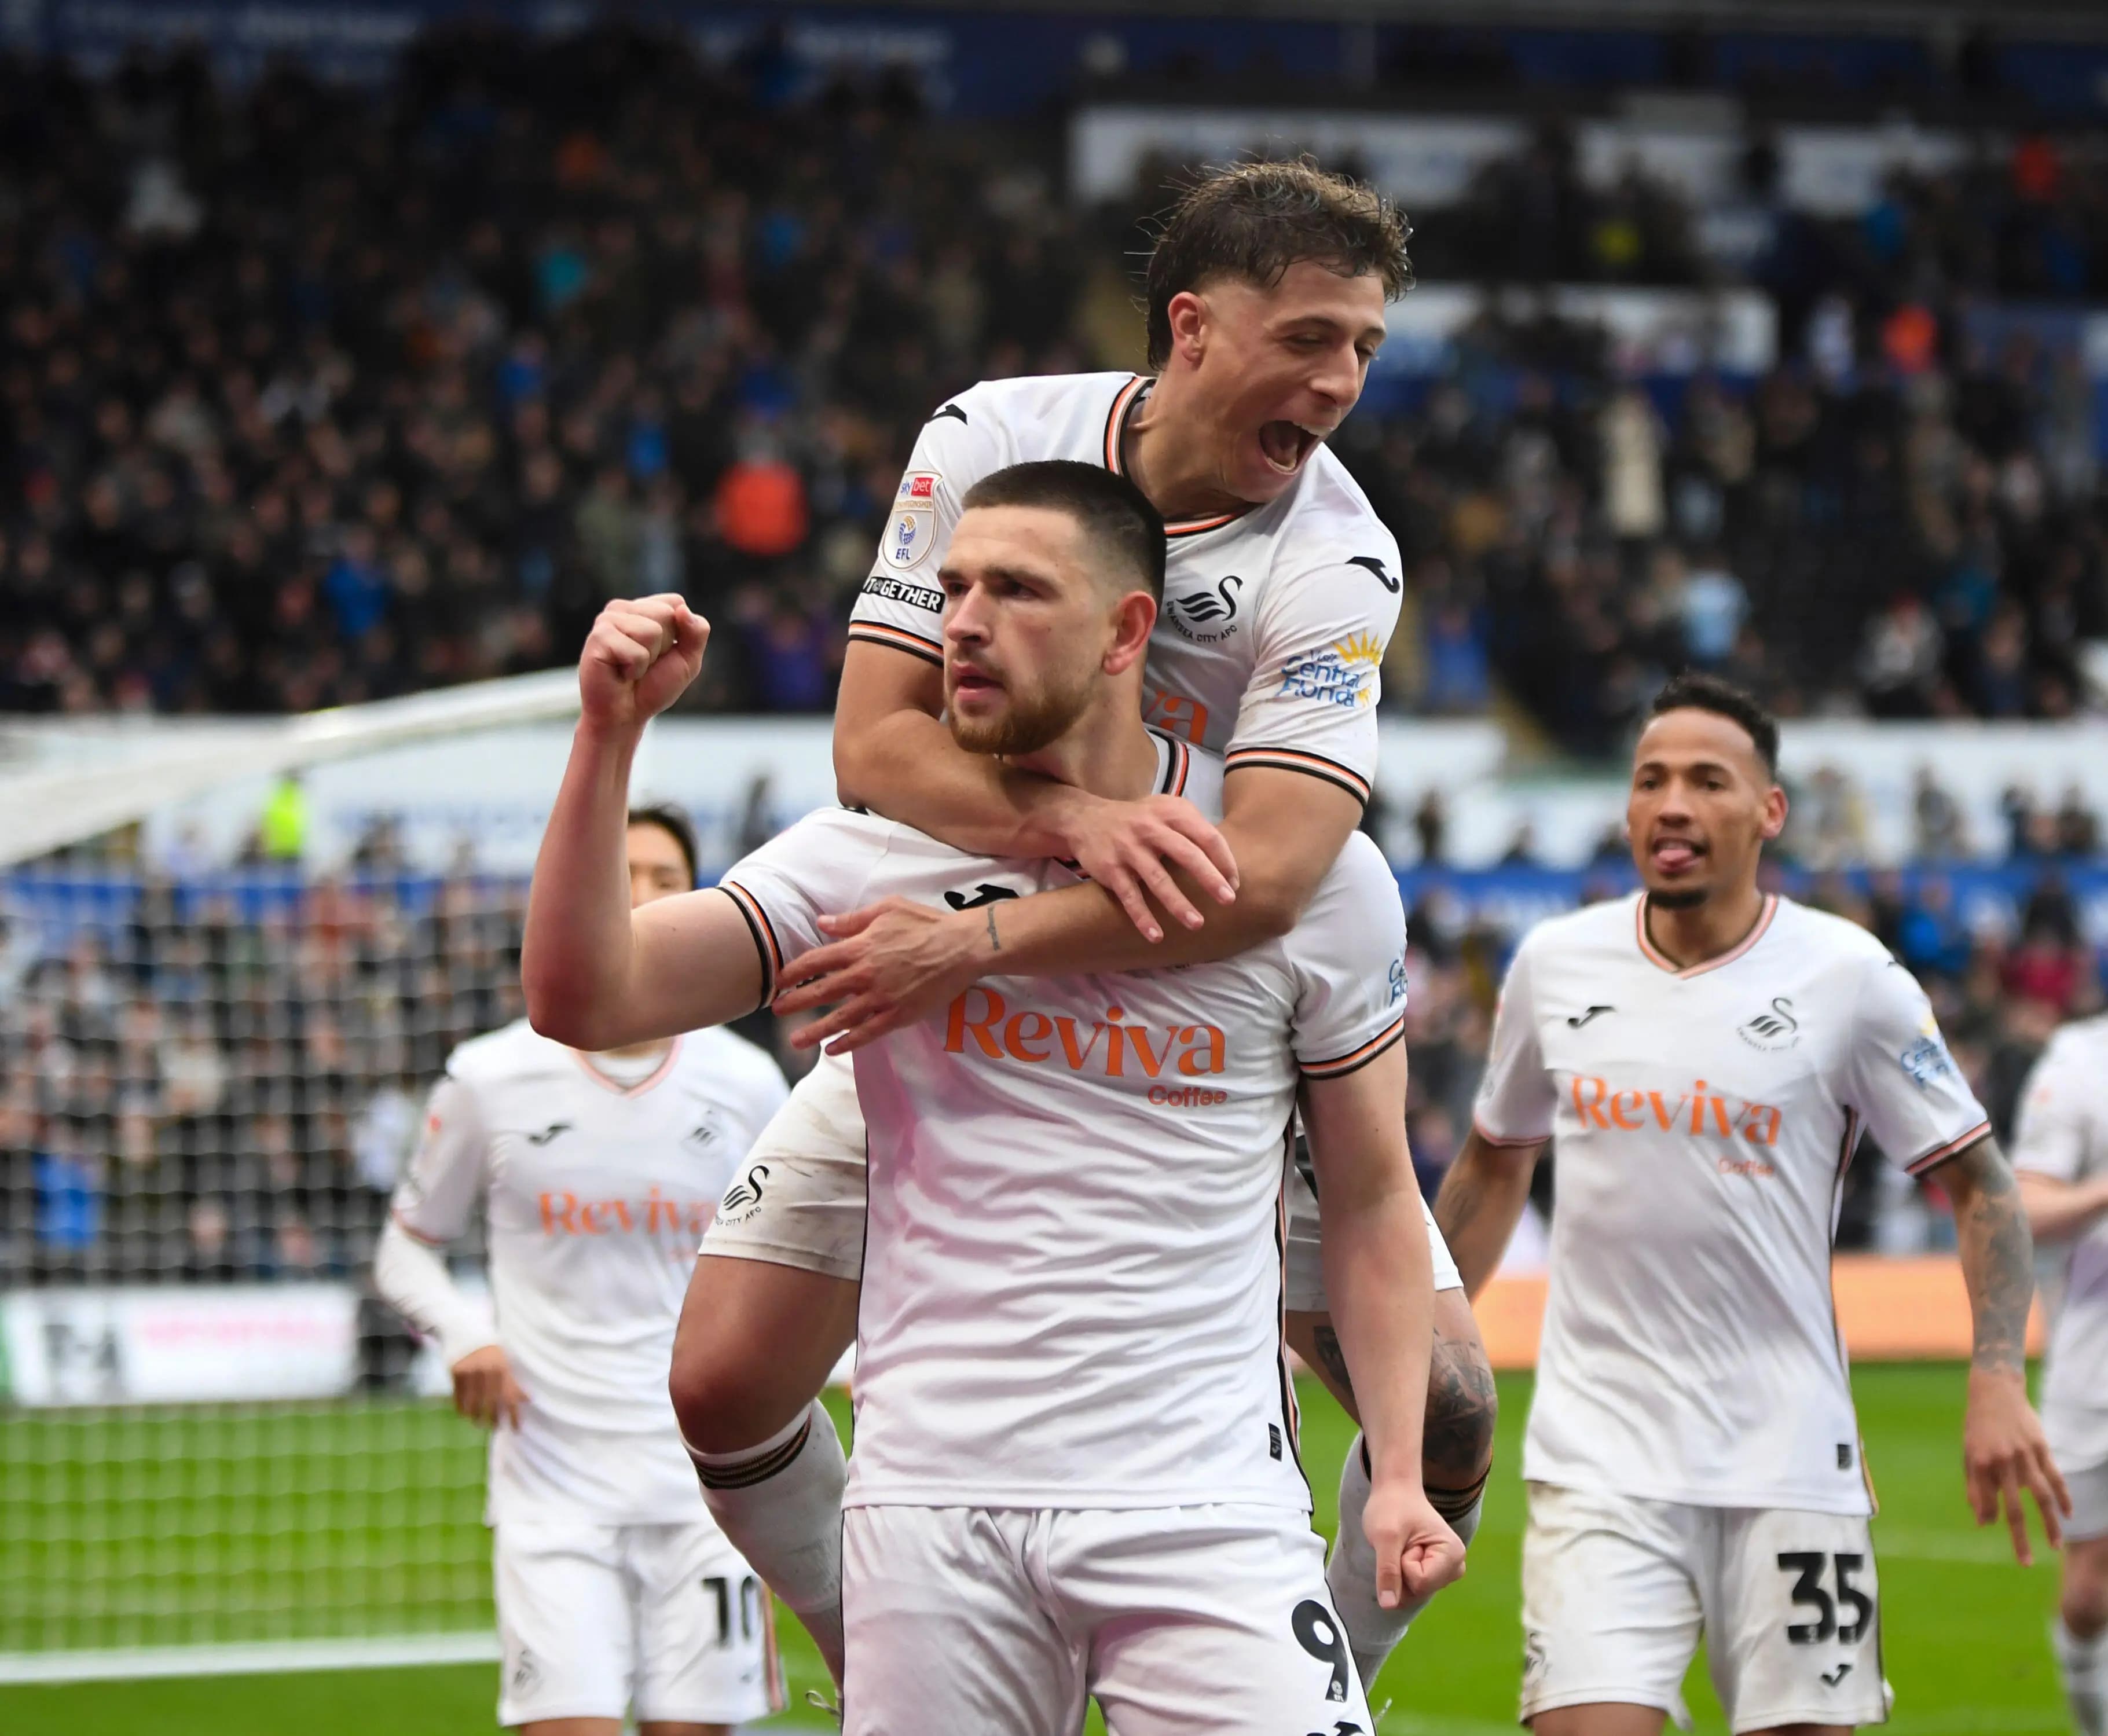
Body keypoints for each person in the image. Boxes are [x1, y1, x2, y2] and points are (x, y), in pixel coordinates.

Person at [665, 156, 1494, 1695]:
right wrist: (1066, 823)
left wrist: (978, 937)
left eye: (1366, 348)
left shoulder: (1338, 556)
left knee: (1441, 1414)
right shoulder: (995, 435)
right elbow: (875, 738)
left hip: (1197, 1016)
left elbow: (1262, 877)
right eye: (1311, 336)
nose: (1342, 381)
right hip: (964, 996)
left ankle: (1314, 1672)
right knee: (720, 1379)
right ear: (1191, 326)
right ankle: (894, 1655)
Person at [522, 465, 1465, 1730]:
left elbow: (1365, 1196)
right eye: (953, 587)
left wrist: (1395, 1471)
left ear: (1128, 630)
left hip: (1201, 1510)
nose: (959, 620)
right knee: (725, 1378)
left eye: (1014, 590)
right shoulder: (866, 848)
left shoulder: (1301, 877)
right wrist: (606, 738)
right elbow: (588, 997)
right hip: (926, 1522)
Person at [1434, 670, 2066, 1736]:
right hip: (1600, 1456)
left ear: (1768, 811)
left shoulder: (1850, 975)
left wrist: (1998, 1375)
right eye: (1650, 779)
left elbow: (1982, 1186)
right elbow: (1495, 1165)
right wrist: (1416, 1336)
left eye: (1706, 779)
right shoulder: (1553, 963)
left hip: (1789, 1460)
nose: (1671, 802)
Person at [374, 806, 790, 1736]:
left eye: (665, 875)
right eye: (623, 870)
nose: (643, 893)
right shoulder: (488, 1077)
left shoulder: (747, 1083)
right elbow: (405, 1244)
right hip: (552, 1487)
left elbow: (793, 1253)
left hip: (708, 1487)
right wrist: (466, 1332)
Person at [2012, 1017, 2108, 1736]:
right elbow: (2021, 1207)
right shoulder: (2080, 1057)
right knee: (2087, 1593)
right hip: (2094, 1364)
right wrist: (2100, 1193)